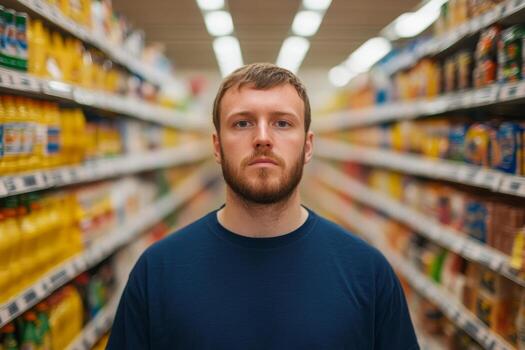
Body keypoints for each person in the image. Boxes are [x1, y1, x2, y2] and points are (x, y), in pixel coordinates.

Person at [106, 63, 419, 349]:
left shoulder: (368, 273)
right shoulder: (158, 271)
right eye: (242, 123)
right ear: (217, 146)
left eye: (282, 123)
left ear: (308, 146)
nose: (262, 138)